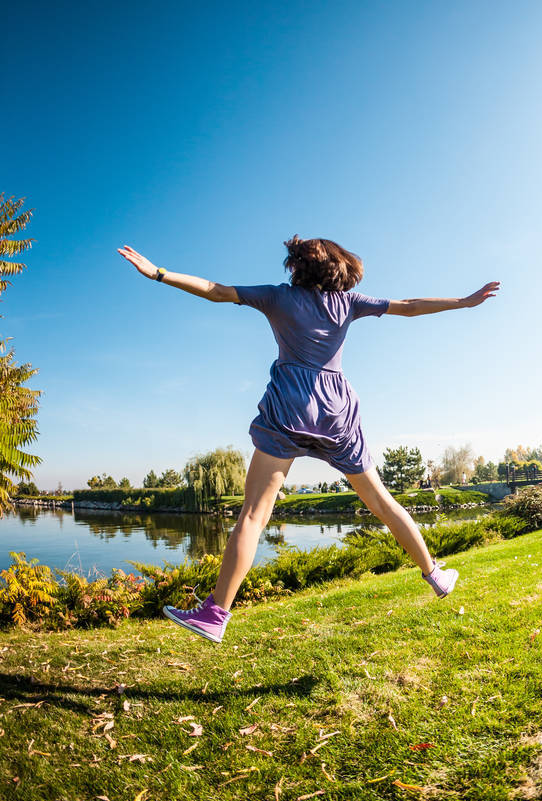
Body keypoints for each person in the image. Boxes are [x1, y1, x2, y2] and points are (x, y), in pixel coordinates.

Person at [117, 237, 500, 643]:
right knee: (381, 501)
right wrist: (463, 302)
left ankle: (215, 613)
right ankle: (435, 574)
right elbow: (408, 306)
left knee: (253, 515)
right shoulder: (348, 303)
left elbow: (216, 291)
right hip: (336, 411)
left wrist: (158, 273)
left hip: (289, 408)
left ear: (298, 266)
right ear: (339, 267)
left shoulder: (279, 298)